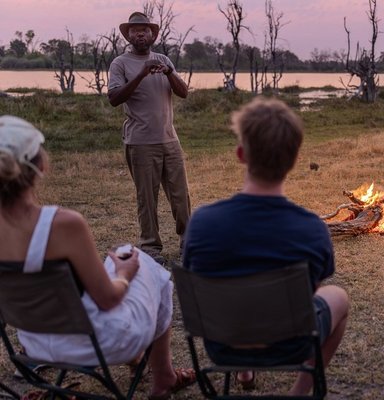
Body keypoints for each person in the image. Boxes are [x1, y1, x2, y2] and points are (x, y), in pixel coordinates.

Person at [0, 115, 195, 400]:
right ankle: (163, 377)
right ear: (40, 166)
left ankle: (140, 362)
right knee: (143, 262)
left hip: (36, 343)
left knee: (112, 260)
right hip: (99, 343)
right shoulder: (63, 224)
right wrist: (124, 274)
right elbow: (108, 298)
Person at [182, 97, 349, 395]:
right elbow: (309, 294)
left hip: (223, 345)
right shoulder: (312, 229)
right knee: (337, 297)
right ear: (295, 159)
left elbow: (196, 280)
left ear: (241, 154)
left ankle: (244, 371)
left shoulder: (202, 222)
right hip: (291, 345)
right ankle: (300, 391)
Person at [108, 12, 190, 264]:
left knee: (180, 195)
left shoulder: (164, 59)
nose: (141, 34)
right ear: (128, 35)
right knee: (147, 196)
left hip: (169, 139)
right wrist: (141, 74)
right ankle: (151, 247)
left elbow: (183, 92)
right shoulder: (120, 64)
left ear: (153, 34)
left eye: (145, 30)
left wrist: (168, 73)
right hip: (140, 141)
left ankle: (188, 242)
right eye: (135, 30)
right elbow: (114, 98)